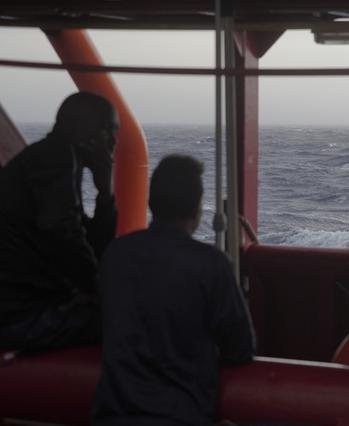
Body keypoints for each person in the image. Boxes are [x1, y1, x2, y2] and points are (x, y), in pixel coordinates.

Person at [92, 154, 255, 426]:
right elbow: (240, 349)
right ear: (197, 209)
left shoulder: (116, 254)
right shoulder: (211, 264)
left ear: (151, 203)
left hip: (112, 415)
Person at [0, 92, 119, 351]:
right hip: (18, 317)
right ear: (80, 128)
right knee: (136, 315)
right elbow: (62, 233)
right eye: (107, 130)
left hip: (23, 308)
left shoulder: (49, 160)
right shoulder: (55, 159)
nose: (114, 141)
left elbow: (92, 246)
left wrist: (105, 195)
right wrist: (103, 290)